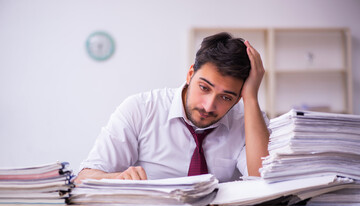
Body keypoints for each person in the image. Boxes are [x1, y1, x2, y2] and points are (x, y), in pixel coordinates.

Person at [75, 32, 269, 184]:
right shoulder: (140, 110)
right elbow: (83, 179)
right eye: (204, 88)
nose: (208, 106)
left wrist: (251, 98)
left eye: (226, 97)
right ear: (190, 74)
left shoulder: (248, 120)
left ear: (237, 99)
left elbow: (263, 180)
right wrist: (116, 179)